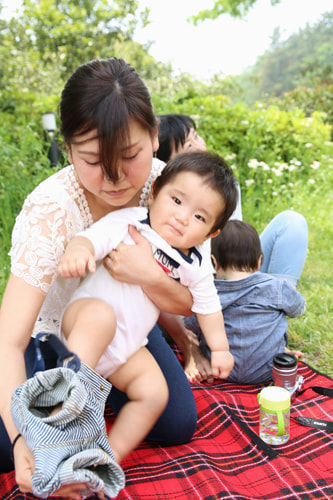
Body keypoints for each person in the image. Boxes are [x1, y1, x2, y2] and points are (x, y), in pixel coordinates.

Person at [0, 58, 198, 498]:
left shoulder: (169, 190)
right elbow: (9, 339)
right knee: (6, 444)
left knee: (178, 422)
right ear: (68, 149)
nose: (114, 178)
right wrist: (19, 443)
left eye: (130, 156)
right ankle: (74, 404)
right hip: (53, 333)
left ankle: (91, 441)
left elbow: (191, 297)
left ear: (154, 137)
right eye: (92, 160)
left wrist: (149, 276)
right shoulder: (51, 210)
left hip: (127, 330)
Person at [57, 151, 238, 463]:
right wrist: (79, 251)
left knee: (155, 393)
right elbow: (91, 239)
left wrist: (219, 348)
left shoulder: (194, 264)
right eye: (177, 201)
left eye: (199, 217)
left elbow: (208, 306)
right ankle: (65, 407)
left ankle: (104, 458)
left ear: (211, 233)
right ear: (155, 192)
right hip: (85, 320)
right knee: (100, 318)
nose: (182, 217)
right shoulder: (131, 223)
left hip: (128, 347)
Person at [156, 113, 308, 383]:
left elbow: (232, 240)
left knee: (292, 223)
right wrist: (189, 345)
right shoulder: (163, 215)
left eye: (197, 138)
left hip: (238, 274)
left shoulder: (223, 186)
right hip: (209, 293)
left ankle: (268, 325)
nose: (201, 148)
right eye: (189, 147)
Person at [184, 220, 306, 384]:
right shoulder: (276, 287)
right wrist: (288, 291)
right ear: (259, 262)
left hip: (223, 370)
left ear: (214, 262)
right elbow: (298, 309)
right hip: (267, 371)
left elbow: (189, 324)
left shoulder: (208, 294)